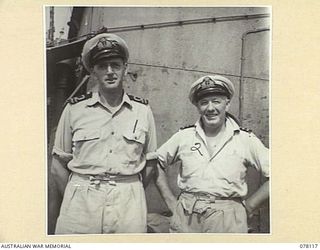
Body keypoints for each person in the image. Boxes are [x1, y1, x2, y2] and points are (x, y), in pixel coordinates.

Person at [51, 33, 157, 234]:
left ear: (125, 68)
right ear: (93, 71)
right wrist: (77, 195)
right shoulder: (74, 110)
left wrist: (127, 189)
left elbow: (150, 163)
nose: (110, 71)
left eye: (115, 65)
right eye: (102, 66)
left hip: (128, 202)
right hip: (81, 201)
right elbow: (58, 166)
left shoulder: (142, 111)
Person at [155, 75, 269, 233]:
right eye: (204, 102)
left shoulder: (245, 139)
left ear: (227, 104)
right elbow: (156, 163)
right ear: (198, 107)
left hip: (228, 220)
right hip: (187, 217)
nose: (210, 108)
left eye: (216, 101)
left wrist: (249, 206)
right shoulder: (184, 136)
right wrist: (171, 202)